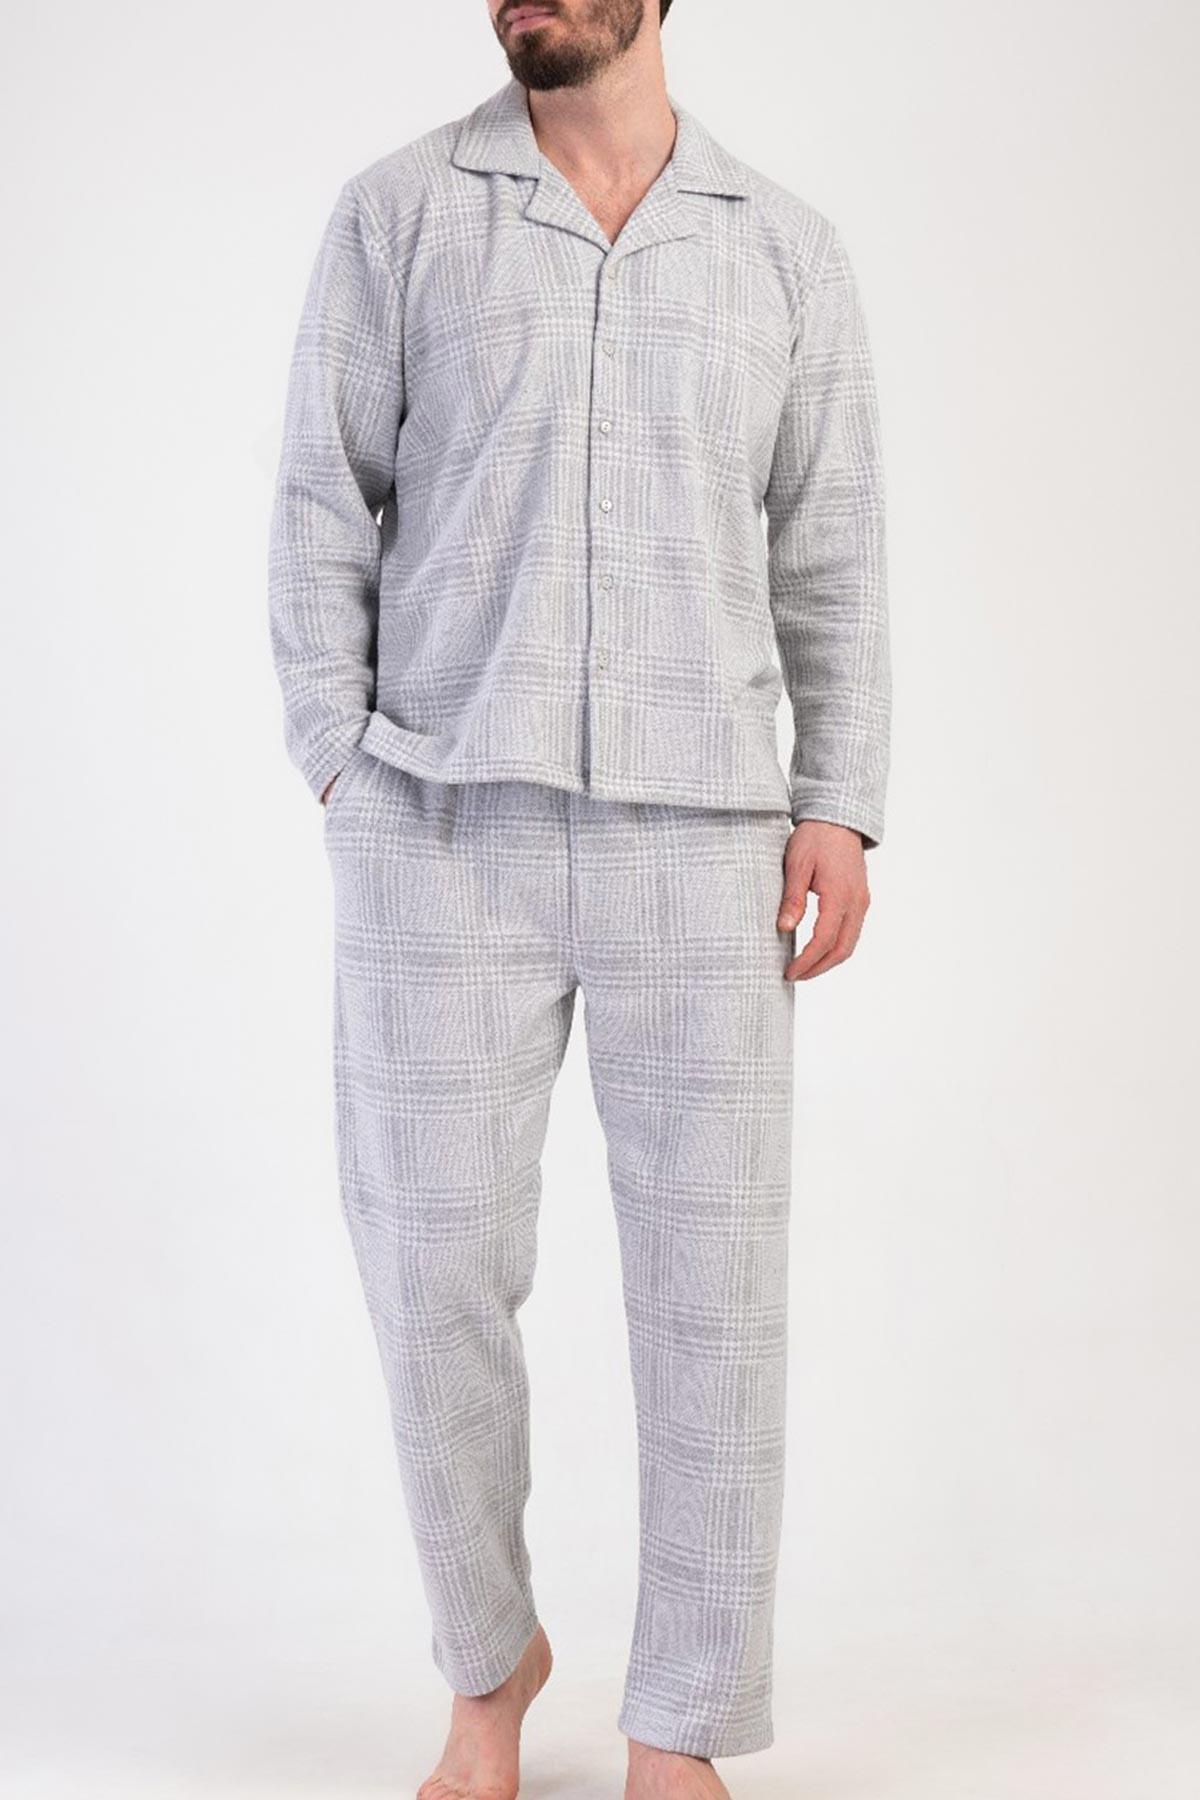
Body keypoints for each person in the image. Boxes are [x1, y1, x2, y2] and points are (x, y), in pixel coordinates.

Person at [268, 1, 890, 1794]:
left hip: (704, 837)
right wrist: (341, 766)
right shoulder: (399, 215)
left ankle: (678, 1723)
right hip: (439, 816)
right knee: (429, 1266)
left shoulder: (784, 252)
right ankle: (487, 1669)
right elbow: (319, 505)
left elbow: (830, 548)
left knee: (714, 1291)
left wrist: (839, 805)